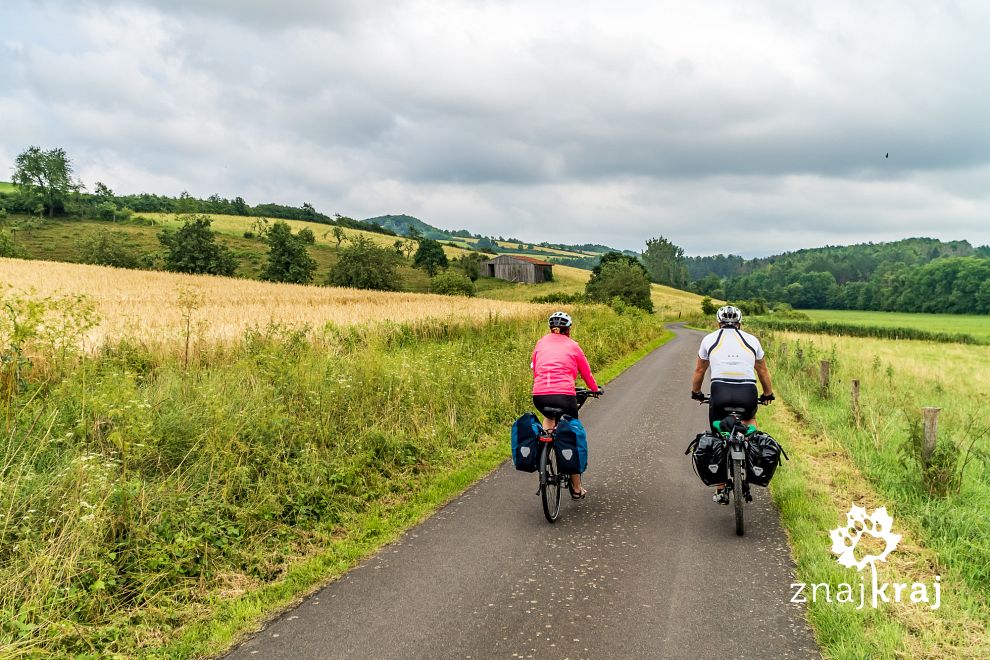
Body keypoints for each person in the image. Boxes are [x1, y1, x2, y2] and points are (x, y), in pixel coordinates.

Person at [690, 305, 775, 504]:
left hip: (719, 391)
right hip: (747, 392)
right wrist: (768, 394)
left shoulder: (709, 339)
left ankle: (720, 488)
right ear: (740, 323)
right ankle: (751, 456)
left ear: (718, 322)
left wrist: (696, 393)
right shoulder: (752, 340)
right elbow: (763, 371)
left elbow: (699, 371)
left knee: (717, 431)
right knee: (750, 418)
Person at [531, 311, 602, 499]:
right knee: (570, 434)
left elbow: (536, 368)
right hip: (564, 396)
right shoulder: (573, 346)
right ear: (568, 329)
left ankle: (543, 451)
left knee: (548, 418)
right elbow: (586, 373)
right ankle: (577, 489)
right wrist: (594, 389)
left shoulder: (540, 343)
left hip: (539, 395)